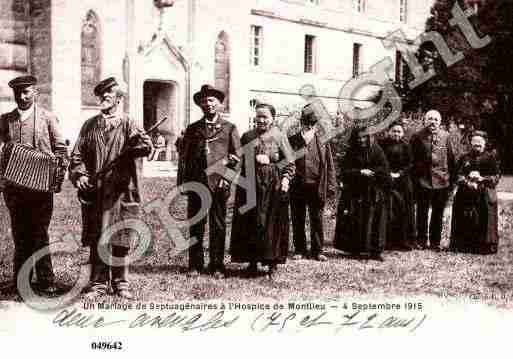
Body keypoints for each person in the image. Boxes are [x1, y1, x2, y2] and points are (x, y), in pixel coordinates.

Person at [69, 77, 152, 299]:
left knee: (121, 236)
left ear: (119, 99)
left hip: (122, 192)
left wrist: (138, 144)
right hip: (96, 191)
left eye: (109, 95)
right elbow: (77, 156)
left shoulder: (129, 123)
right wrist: (80, 176)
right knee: (98, 236)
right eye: (101, 96)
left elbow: (146, 146)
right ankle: (97, 283)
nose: (104, 98)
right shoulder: (90, 125)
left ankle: (121, 283)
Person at [0, 75, 67, 295]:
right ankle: (21, 282)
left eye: (26, 91)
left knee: (39, 232)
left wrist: (56, 177)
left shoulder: (48, 118)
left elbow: (61, 150)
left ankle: (47, 280)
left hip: (41, 189)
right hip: (15, 190)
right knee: (20, 234)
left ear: (35, 92)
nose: (21, 96)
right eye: (18, 92)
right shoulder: (5, 120)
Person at [178, 84, 241, 278]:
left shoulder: (229, 128)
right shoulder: (193, 129)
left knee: (218, 225)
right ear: (200, 105)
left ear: (219, 103)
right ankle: (195, 265)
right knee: (196, 225)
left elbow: (237, 157)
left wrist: (227, 180)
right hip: (197, 184)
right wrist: (183, 183)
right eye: (204, 101)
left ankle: (217, 265)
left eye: (212, 100)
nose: (208, 104)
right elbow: (184, 158)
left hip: (219, 185)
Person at [230, 103, 295, 277]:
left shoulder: (279, 136)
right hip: (249, 184)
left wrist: (284, 177)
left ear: (273, 118)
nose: (261, 120)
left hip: (272, 186)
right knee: (250, 222)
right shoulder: (247, 136)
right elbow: (238, 159)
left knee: (270, 224)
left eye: (265, 116)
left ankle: (272, 263)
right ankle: (252, 261)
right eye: (258, 116)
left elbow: (289, 163)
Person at [288, 103, 337, 261]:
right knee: (298, 218)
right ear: (301, 122)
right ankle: (300, 249)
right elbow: (286, 163)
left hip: (317, 186)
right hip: (297, 186)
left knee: (317, 218)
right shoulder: (292, 140)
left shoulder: (322, 141)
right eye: (306, 122)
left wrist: (330, 186)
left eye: (312, 123)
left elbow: (329, 166)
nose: (308, 126)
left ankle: (318, 250)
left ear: (316, 125)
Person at [334, 127, 390, 261]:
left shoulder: (377, 150)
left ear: (369, 137)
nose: (361, 140)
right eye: (359, 138)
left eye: (364, 137)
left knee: (376, 221)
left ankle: (375, 251)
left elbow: (384, 170)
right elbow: (345, 171)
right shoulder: (351, 152)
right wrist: (360, 172)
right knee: (356, 221)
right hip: (356, 192)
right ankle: (355, 250)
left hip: (373, 191)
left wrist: (372, 172)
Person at [410, 109, 457, 251]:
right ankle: (421, 240)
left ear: (440, 122)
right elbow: (411, 159)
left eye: (436, 119)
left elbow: (451, 160)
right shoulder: (417, 137)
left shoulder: (446, 136)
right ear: (425, 120)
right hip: (422, 181)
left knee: (438, 212)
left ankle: (435, 241)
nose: (433, 122)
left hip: (441, 181)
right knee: (422, 212)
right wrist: (415, 178)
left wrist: (452, 182)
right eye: (430, 119)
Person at [450, 131, 500, 254]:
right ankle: (463, 246)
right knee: (464, 216)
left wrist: (482, 179)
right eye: (475, 142)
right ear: (470, 143)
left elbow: (496, 176)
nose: (477, 144)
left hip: (484, 192)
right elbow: (457, 175)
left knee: (485, 217)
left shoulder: (491, 157)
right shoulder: (464, 157)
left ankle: (484, 246)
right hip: (466, 192)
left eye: (480, 142)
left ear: (485, 143)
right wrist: (467, 182)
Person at [379, 121, 415, 250]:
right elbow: (378, 161)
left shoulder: (406, 146)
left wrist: (399, 173)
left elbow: (410, 164)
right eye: (394, 131)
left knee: (403, 211)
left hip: (403, 182)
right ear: (389, 132)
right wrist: (387, 174)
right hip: (386, 181)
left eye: (399, 131)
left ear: (403, 133)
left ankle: (403, 241)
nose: (396, 134)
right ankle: (386, 241)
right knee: (388, 210)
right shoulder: (381, 144)